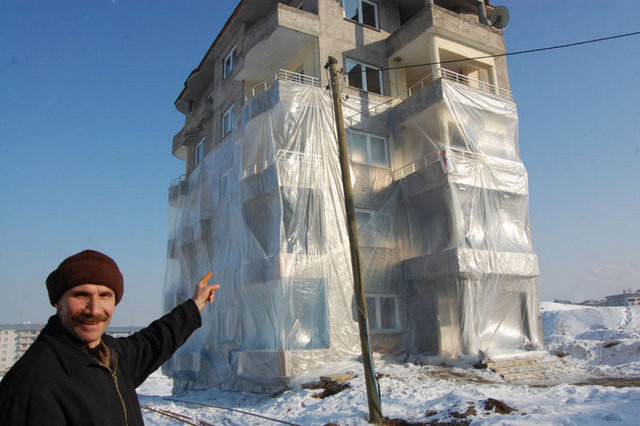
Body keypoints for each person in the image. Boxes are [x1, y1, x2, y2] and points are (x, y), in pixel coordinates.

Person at [0, 249, 220, 425]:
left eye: (105, 296)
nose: (94, 309)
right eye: (81, 295)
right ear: (58, 302)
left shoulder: (111, 357)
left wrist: (195, 304)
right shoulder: (31, 389)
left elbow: (155, 339)